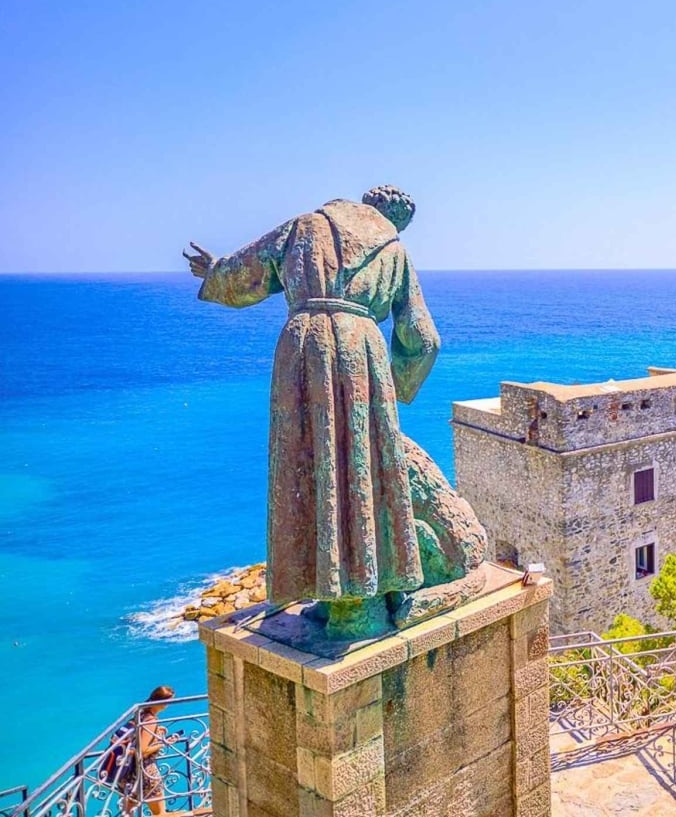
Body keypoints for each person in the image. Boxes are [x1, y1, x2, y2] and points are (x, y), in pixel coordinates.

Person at [183, 186, 438, 637]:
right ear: (393, 220)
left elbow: (246, 272)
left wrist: (216, 270)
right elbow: (422, 336)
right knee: (364, 469)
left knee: (307, 464)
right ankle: (368, 590)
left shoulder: (307, 225)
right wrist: (395, 387)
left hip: (303, 350)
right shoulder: (395, 252)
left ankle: (322, 584)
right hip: (363, 354)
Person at [102, 686, 176, 816]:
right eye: (168, 702)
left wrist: (157, 732)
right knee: (160, 813)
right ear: (161, 702)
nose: (168, 705)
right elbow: (142, 750)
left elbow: (138, 737)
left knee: (128, 811)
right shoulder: (151, 721)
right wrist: (163, 743)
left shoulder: (140, 714)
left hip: (128, 773)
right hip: (146, 773)